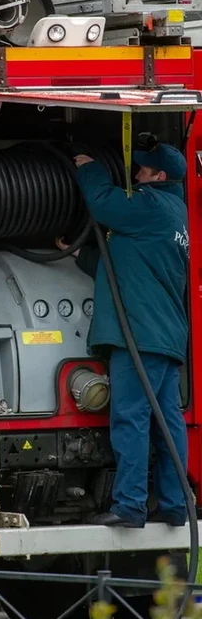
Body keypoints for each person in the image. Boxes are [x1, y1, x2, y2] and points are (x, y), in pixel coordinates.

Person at [57, 142, 189, 528]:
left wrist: (89, 166)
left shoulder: (149, 205)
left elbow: (102, 202)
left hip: (140, 335)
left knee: (131, 418)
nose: (136, 176)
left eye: (143, 171)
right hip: (164, 335)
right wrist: (77, 254)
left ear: (159, 177)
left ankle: (130, 505)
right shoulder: (175, 212)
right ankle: (175, 504)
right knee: (168, 424)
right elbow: (126, 264)